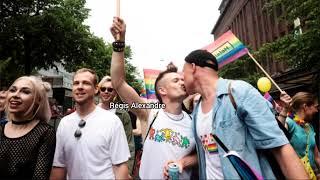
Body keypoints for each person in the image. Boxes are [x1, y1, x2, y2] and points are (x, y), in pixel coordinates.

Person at [182, 49, 308, 179]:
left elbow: (280, 149)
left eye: (183, 73)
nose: (182, 79)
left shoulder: (238, 92)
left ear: (193, 67)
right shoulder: (197, 110)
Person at [110, 17, 197, 179]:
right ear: (162, 90)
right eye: (176, 80)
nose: (182, 82)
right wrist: (119, 43)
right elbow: (118, 82)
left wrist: (183, 163)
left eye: (182, 79)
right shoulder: (150, 112)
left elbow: (200, 155)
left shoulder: (194, 120)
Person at [50, 68, 130, 179]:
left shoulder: (113, 121)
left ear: (95, 89)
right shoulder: (64, 123)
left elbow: (120, 166)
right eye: (76, 83)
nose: (80, 86)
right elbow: (59, 166)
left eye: (86, 83)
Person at [0, 76, 55, 179]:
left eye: (25, 92)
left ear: (38, 100)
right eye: (13, 90)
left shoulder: (45, 132)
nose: (15, 95)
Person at [98, 75, 135, 175]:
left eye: (110, 89)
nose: (106, 91)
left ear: (115, 93)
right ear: (99, 91)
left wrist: (128, 172)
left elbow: (129, 145)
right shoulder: (90, 112)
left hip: (115, 168)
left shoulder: (123, 115)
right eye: (103, 89)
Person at [279, 92, 320, 178]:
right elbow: (278, 132)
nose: (316, 110)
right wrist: (285, 109)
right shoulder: (289, 123)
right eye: (315, 107)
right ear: (305, 107)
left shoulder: (309, 127)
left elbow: (317, 157)